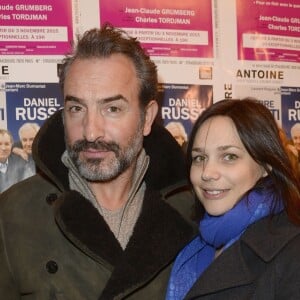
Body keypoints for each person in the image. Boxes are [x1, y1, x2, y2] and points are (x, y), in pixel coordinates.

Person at [0, 23, 197, 299]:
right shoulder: (12, 214)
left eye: (112, 108)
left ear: (147, 117)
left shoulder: (195, 213)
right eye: (76, 108)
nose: (91, 131)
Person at [166, 98, 300, 299]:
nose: (207, 173)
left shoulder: (293, 251)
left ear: (265, 165)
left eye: (229, 157)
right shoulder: (188, 243)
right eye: (199, 158)